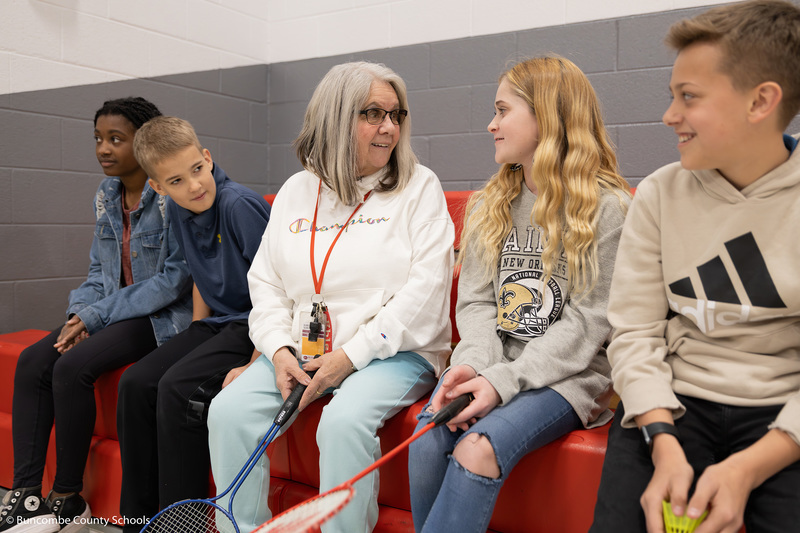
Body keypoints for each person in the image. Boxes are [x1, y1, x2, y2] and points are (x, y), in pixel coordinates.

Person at [207, 61, 453, 533]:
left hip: (394, 351)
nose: (389, 128)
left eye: (396, 115)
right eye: (373, 114)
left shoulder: (420, 186)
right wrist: (277, 351)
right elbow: (267, 285)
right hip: (304, 351)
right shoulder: (298, 191)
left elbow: (426, 291)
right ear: (336, 119)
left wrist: (352, 355)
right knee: (229, 411)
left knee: (342, 424)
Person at [590, 2, 800, 532]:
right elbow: (634, 331)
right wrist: (663, 441)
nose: (669, 115)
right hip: (673, 406)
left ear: (761, 101)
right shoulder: (660, 192)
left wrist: (749, 468)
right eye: (671, 97)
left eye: (689, 98)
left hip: (784, 417)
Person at [407, 56, 631, 533]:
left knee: (476, 447)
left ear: (546, 117)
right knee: (428, 435)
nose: (491, 124)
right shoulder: (492, 203)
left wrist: (501, 383)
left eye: (503, 110)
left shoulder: (608, 208)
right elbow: (477, 304)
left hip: (568, 377)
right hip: (495, 365)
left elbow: (588, 324)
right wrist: (472, 367)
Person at [0, 98, 192, 533]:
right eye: (98, 139)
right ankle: (28, 495)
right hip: (112, 311)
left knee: (71, 367)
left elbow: (173, 282)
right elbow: (96, 272)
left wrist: (96, 317)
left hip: (160, 317)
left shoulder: (169, 196)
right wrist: (78, 314)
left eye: (115, 140)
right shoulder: (106, 197)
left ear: (143, 142)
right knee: (34, 360)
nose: (103, 149)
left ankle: (67, 497)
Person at [115, 116, 271, 532]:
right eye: (178, 181)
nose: (195, 186)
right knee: (134, 384)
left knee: (175, 387)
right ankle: (138, 519)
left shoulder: (238, 205)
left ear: (207, 157)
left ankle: (179, 525)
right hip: (217, 324)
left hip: (253, 325)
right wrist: (195, 332)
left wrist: (259, 360)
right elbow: (202, 274)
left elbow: (277, 290)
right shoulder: (180, 210)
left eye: (197, 171)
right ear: (159, 188)